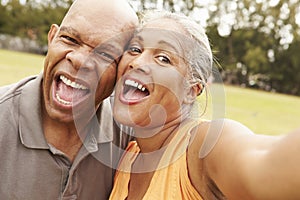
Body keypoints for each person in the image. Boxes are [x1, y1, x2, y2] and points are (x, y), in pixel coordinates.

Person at [109, 10, 300, 200]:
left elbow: (264, 162)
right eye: (135, 49)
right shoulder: (128, 157)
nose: (137, 62)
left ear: (191, 91)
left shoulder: (204, 147)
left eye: (163, 58)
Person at [0, 0, 138, 199]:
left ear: (123, 69)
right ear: (52, 37)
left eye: (105, 54)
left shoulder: (132, 138)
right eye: (70, 39)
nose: (80, 60)